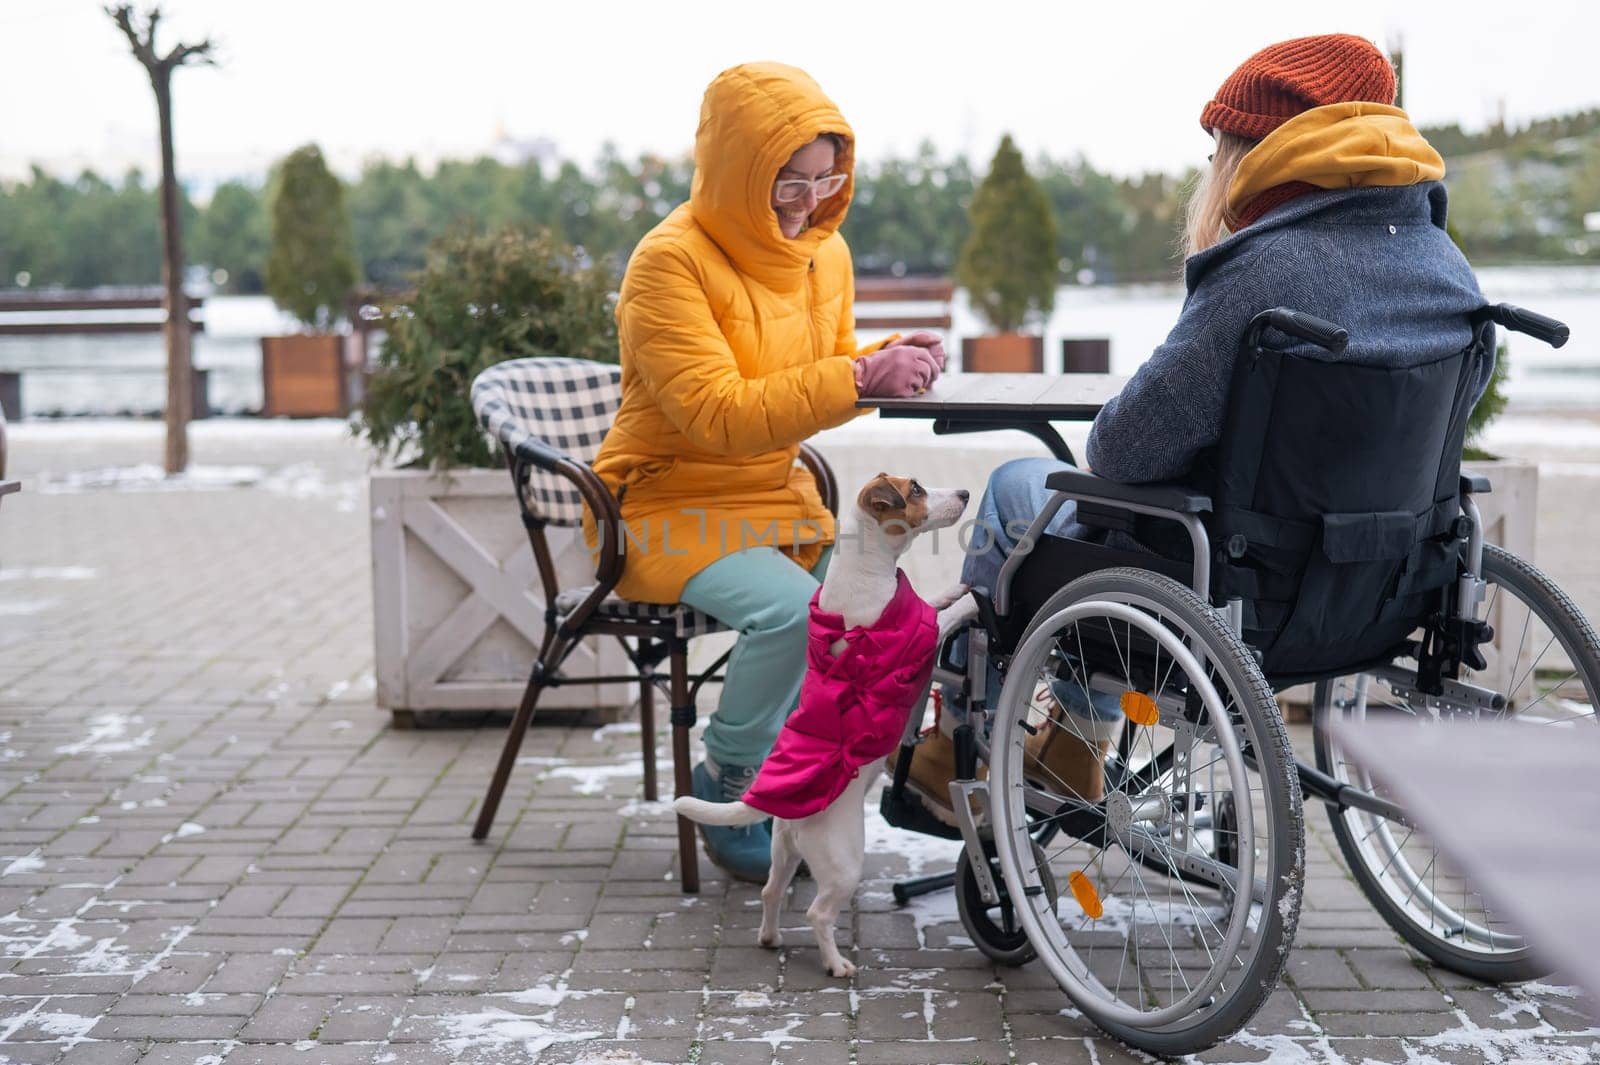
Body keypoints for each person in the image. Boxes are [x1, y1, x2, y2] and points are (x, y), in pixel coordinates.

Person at [896, 33, 1488, 817]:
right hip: (1383, 585)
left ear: (1250, 149)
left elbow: (1122, 449)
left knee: (1019, 487)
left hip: (1237, 587)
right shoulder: (1444, 264)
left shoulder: (1264, 270)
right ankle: (1065, 743)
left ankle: (989, 746)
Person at [588, 62, 945, 881]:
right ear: (736, 170)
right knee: (795, 615)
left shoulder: (827, 253)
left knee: (891, 609)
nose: (810, 200)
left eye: (828, 179)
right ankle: (730, 773)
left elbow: (813, 380)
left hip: (771, 500)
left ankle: (827, 768)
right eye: (789, 181)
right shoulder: (668, 263)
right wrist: (859, 379)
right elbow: (717, 410)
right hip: (664, 504)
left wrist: (883, 360)